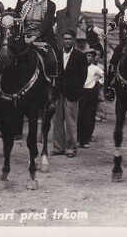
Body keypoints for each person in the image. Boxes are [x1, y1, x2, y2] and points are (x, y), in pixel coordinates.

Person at [51, 30, 88, 158]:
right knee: (57, 121)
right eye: (65, 38)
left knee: (71, 121)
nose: (67, 41)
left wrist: (77, 90)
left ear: (73, 41)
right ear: (62, 40)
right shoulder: (56, 54)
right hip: (58, 92)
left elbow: (83, 76)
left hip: (72, 93)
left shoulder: (80, 56)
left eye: (70, 39)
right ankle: (58, 147)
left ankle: (71, 148)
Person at [19, 0, 58, 77]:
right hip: (24, 39)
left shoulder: (50, 5)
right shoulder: (23, 4)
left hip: (43, 39)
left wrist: (34, 37)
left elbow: (46, 23)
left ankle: (53, 88)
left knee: (53, 61)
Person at [77, 49, 104, 149]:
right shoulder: (80, 66)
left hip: (90, 93)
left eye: (92, 56)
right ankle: (78, 138)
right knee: (79, 116)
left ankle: (85, 139)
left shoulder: (95, 68)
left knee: (88, 116)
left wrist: (98, 83)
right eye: (88, 56)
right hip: (81, 92)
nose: (90, 58)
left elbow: (104, 76)